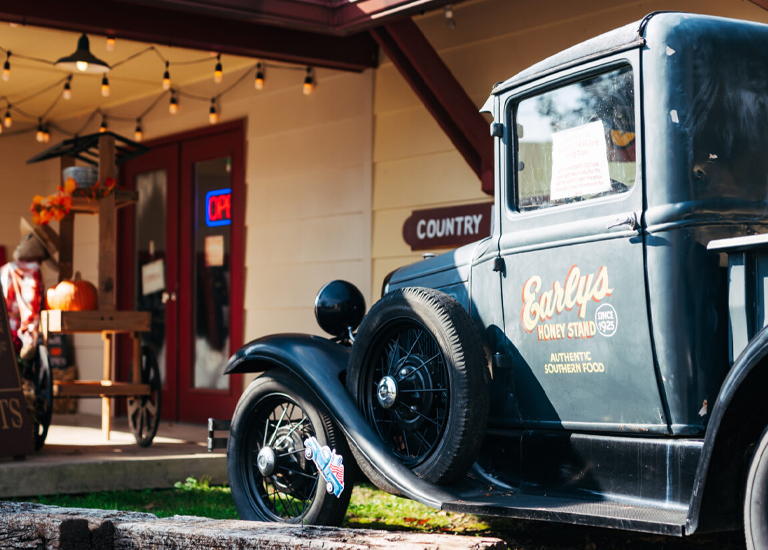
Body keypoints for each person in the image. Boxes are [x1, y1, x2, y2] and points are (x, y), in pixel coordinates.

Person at [0, 217, 59, 361]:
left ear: (38, 249)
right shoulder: (11, 268)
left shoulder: (30, 274)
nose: (21, 243)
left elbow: (29, 309)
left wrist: (28, 341)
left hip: (10, 337)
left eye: (27, 239)